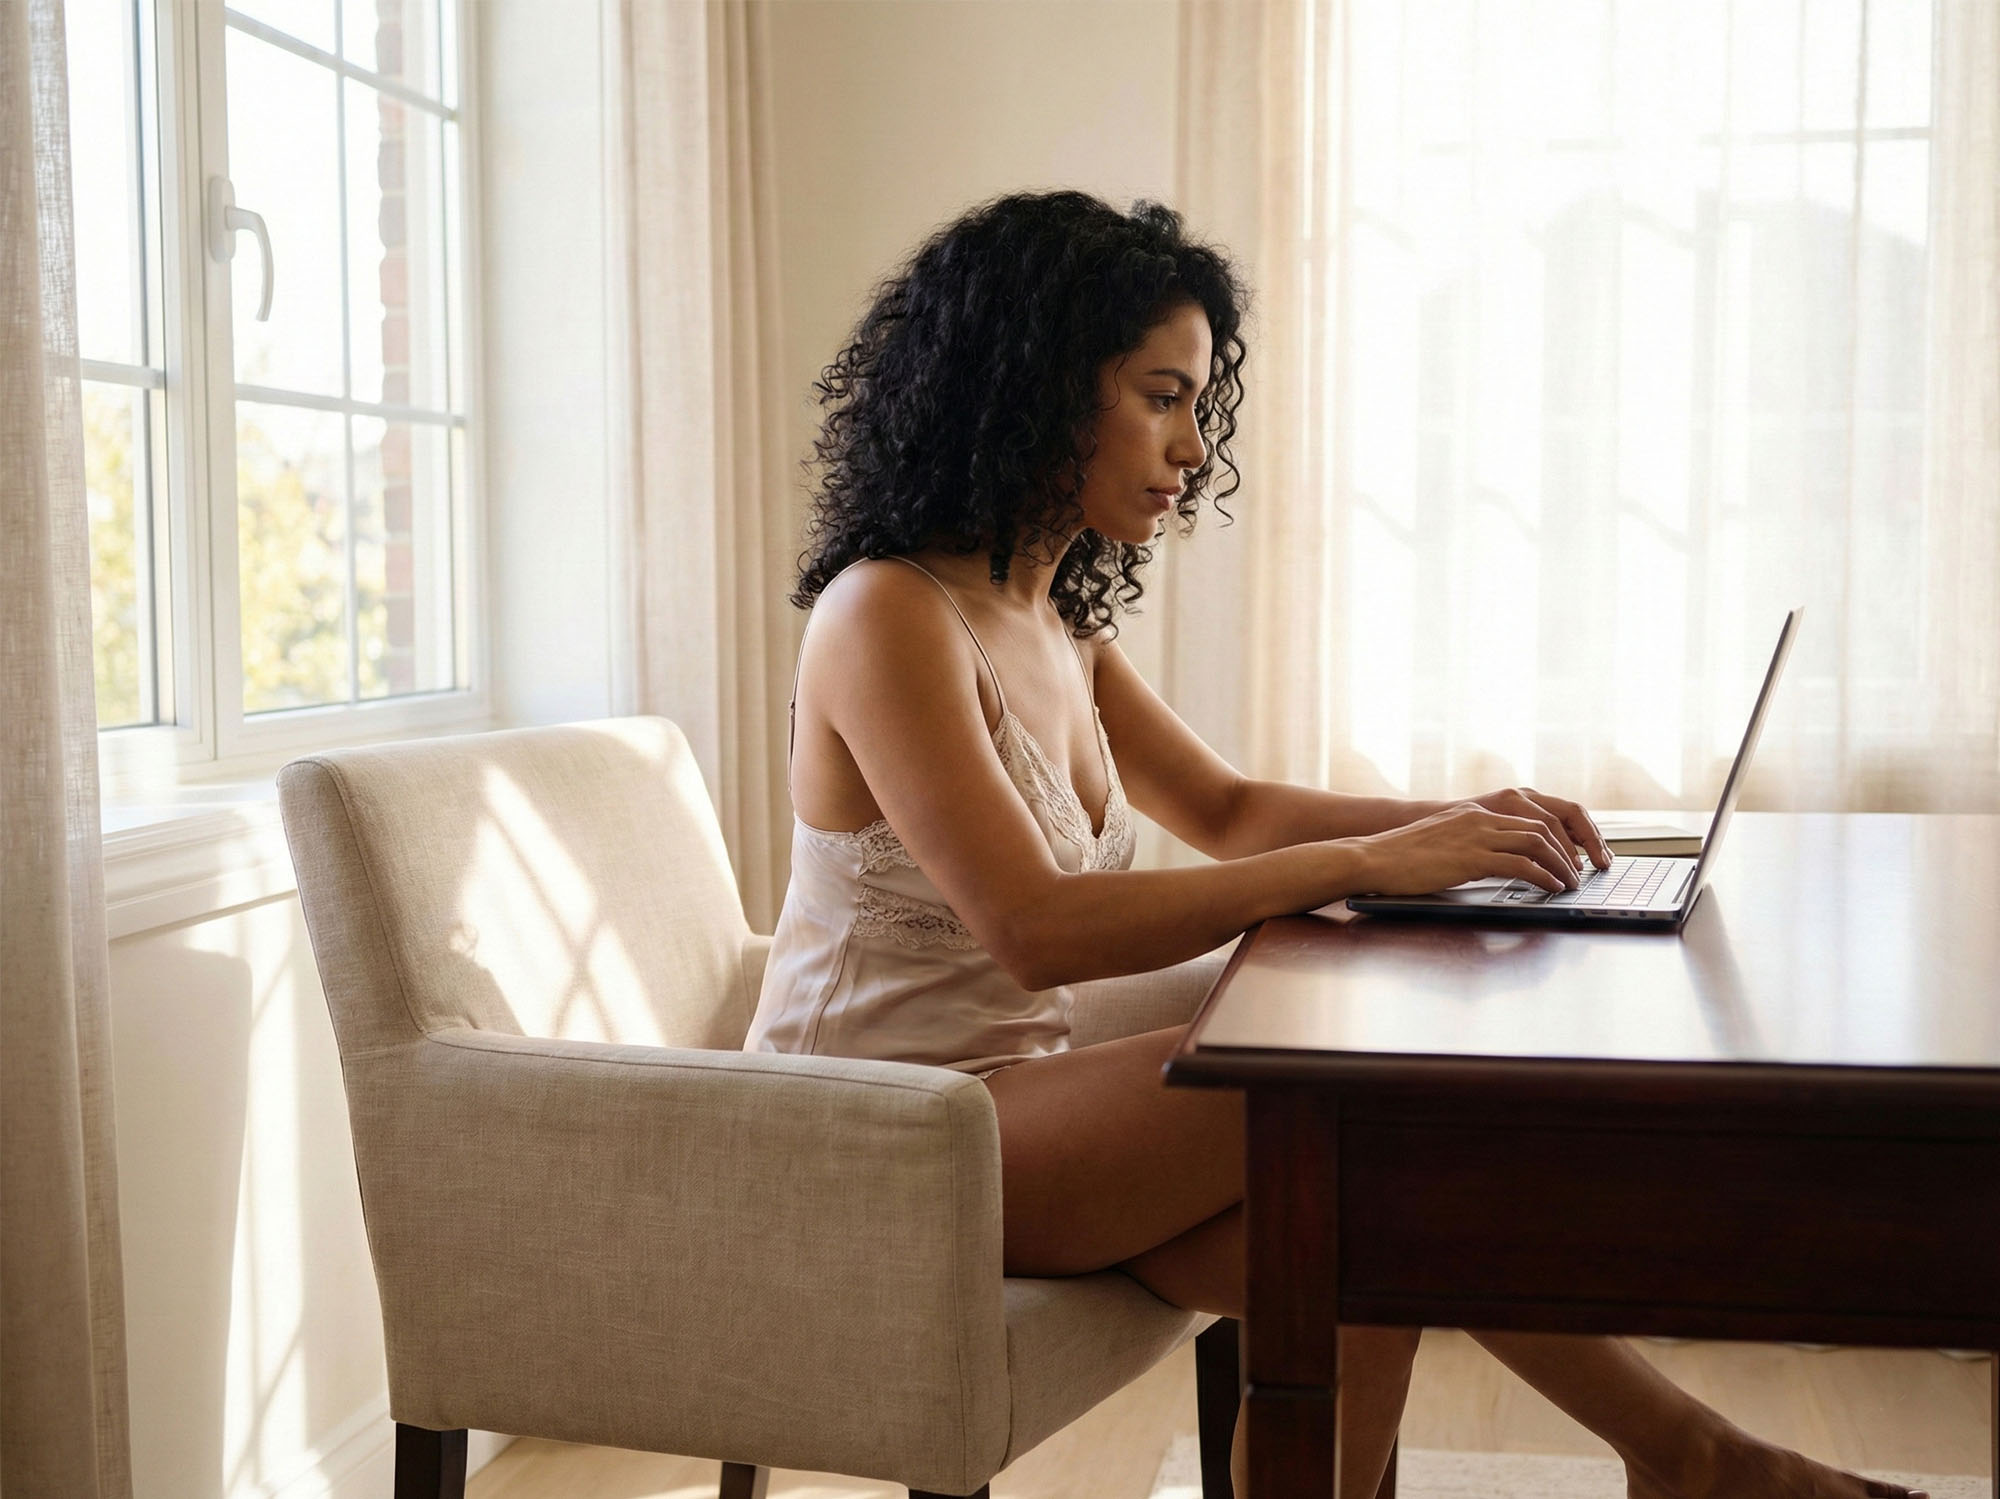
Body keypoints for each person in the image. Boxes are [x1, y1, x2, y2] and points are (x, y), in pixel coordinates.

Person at [744, 190, 1921, 1499]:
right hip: (870, 1142)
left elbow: (1232, 810)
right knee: (1356, 1109)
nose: (1194, 445)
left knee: (1377, 1238)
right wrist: (1371, 866)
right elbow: (1032, 931)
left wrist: (1472, 827)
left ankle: (1695, 1457)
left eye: (1199, 403)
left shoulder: (1053, 619)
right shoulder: (886, 615)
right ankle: (1700, 1458)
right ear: (1029, 386)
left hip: (1021, 1099)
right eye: (1160, 394)